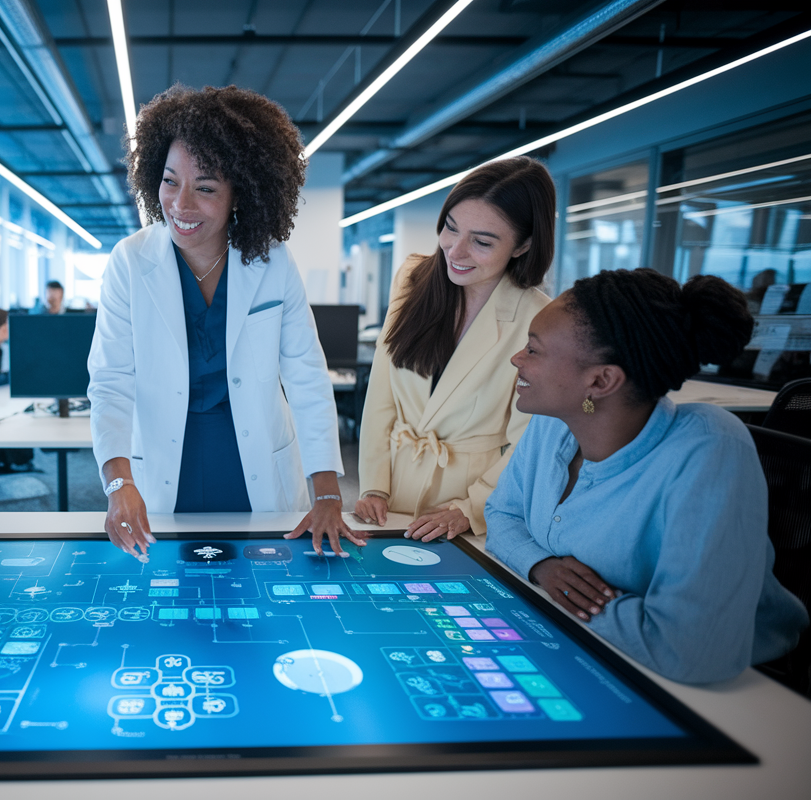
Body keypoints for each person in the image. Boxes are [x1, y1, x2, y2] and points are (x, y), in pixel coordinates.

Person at [485, 268, 807, 684]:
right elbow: (501, 516)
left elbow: (691, 652)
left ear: (600, 380)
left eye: (533, 349)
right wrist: (542, 567)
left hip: (734, 690)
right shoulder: (555, 420)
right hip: (593, 646)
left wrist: (584, 603)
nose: (517, 359)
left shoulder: (710, 448)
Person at [88, 84, 357, 559]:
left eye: (206, 188)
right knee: (172, 602)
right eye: (170, 181)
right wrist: (117, 482)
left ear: (242, 194)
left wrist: (329, 492)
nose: (181, 204)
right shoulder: (130, 262)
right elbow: (110, 383)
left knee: (262, 600)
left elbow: (307, 379)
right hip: (165, 468)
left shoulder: (272, 261)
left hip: (254, 464)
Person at [355, 158, 554, 542]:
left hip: (465, 509)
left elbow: (527, 440)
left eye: (481, 242)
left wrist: (469, 508)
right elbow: (381, 395)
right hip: (390, 496)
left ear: (523, 245)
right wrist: (374, 484)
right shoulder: (412, 279)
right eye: (450, 227)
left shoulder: (539, 318)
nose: (455, 251)